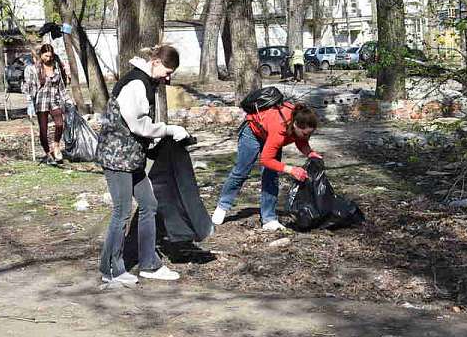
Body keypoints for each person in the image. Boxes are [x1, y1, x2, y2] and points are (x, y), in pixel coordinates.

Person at [96, 44, 189, 286]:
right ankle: (110, 269)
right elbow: (138, 125)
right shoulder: (136, 83)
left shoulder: (147, 82)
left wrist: (158, 138)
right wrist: (168, 129)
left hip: (131, 157)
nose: (168, 77)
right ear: (155, 62)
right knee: (122, 212)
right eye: (167, 71)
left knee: (149, 204)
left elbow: (140, 125)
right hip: (117, 158)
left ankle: (149, 264)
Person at [211, 101, 321, 231]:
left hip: (270, 134)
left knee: (271, 175)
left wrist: (310, 153)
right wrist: (291, 170)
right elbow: (266, 160)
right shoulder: (280, 129)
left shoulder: (300, 122)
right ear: (296, 124)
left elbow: (300, 141)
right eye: (305, 134)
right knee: (241, 172)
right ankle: (223, 206)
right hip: (253, 132)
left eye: (309, 134)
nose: (307, 137)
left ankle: (269, 218)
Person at [22, 43, 71, 162]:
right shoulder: (34, 69)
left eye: (50, 56)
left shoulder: (56, 67)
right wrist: (29, 101)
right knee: (43, 130)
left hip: (55, 100)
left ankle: (56, 145)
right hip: (41, 101)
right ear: (41, 55)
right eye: (46, 56)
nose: (48, 58)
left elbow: (61, 87)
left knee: (60, 124)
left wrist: (68, 100)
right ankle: (48, 153)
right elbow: (27, 86)